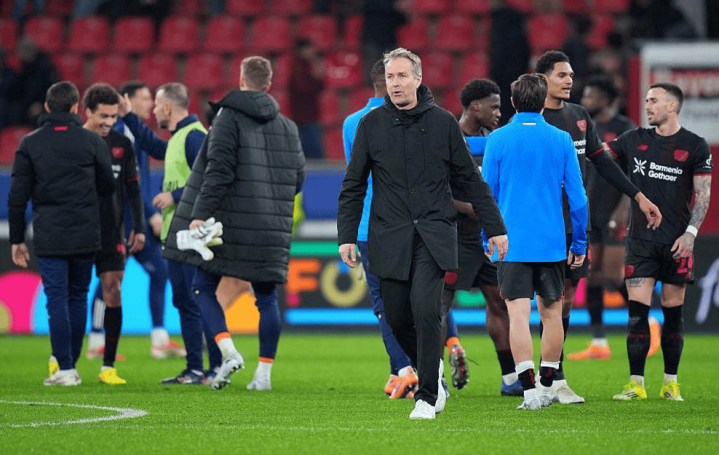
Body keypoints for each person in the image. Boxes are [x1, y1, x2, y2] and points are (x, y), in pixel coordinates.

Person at [337, 48, 508, 420]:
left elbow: (471, 181)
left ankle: (427, 396)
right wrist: (346, 235)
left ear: (418, 78)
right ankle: (433, 366)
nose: (395, 83)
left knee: (427, 311)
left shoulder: (444, 123)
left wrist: (495, 228)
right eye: (390, 77)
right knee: (396, 318)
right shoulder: (371, 125)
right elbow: (353, 184)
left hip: (434, 234)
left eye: (402, 76)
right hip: (388, 236)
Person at [162, 56, 306, 391]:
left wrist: (199, 214)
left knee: (202, 286)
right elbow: (297, 178)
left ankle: (228, 353)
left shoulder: (227, 118)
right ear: (268, 84)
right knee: (266, 298)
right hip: (271, 228)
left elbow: (218, 170)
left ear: (241, 80)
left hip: (230, 224)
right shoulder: (288, 126)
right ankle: (263, 376)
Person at [535, 50, 662, 404]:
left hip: (577, 226)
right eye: (562, 75)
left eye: (571, 75)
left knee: (563, 305)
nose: (570, 80)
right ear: (543, 78)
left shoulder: (578, 116)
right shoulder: (532, 118)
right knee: (549, 302)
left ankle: (553, 379)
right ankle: (549, 380)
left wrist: (638, 197)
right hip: (542, 224)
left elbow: (603, 162)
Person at [483, 73, 588, 410]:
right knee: (552, 314)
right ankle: (546, 386)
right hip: (551, 243)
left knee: (517, 315)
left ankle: (528, 392)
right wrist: (579, 243)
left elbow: (487, 195)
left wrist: (488, 236)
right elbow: (578, 199)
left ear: (513, 102)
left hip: (511, 243)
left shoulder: (498, 138)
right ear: (544, 101)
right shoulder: (562, 139)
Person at [610, 83, 712, 401]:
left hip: (677, 242)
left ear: (672, 105)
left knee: (673, 314)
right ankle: (636, 384)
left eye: (653, 101)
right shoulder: (633, 139)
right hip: (640, 240)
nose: (647, 106)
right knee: (637, 313)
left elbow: (703, 195)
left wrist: (690, 234)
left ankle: (670, 383)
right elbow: (600, 157)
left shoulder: (695, 145)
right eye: (646, 100)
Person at [8, 81, 115, 385]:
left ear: (46, 107)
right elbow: (108, 186)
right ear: (75, 107)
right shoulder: (92, 141)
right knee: (77, 297)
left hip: (49, 234)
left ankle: (65, 367)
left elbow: (17, 197)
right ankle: (71, 366)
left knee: (56, 298)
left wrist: (17, 239)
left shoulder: (30, 143)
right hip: (85, 232)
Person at [118, 82, 222, 384]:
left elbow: (211, 180)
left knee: (199, 300)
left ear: (167, 107)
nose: (152, 111)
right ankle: (194, 369)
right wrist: (129, 116)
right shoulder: (179, 137)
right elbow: (153, 146)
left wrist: (173, 196)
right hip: (176, 234)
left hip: (194, 233)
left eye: (156, 105)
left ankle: (216, 367)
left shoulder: (195, 137)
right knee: (185, 303)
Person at [450, 78, 522, 396]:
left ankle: (510, 378)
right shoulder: (449, 137)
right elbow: (435, 190)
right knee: (439, 305)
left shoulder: (494, 141)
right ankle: (435, 377)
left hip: (488, 239)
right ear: (475, 106)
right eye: (494, 107)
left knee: (499, 303)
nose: (499, 113)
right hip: (454, 237)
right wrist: (471, 209)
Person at [82, 83, 146, 385]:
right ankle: (62, 361)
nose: (109, 122)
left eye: (113, 116)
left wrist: (139, 227)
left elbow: (133, 188)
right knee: (72, 294)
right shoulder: (75, 142)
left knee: (114, 291)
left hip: (112, 231)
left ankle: (108, 366)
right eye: (103, 116)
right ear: (88, 112)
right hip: (78, 231)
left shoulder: (122, 144)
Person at [569, 75, 636, 361]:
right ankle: (599, 342)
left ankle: (646, 322)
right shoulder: (585, 128)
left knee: (611, 274)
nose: (585, 101)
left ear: (606, 99)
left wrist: (625, 207)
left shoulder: (625, 128)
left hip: (614, 211)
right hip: (590, 212)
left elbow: (635, 174)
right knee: (592, 276)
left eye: (590, 96)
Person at [117, 80, 183, 359]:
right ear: (128, 100)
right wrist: (150, 214)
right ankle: (96, 342)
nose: (150, 105)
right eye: (145, 98)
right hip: (124, 222)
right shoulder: (120, 133)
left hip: (137, 220)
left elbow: (140, 182)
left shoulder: (137, 133)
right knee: (112, 277)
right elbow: (128, 185)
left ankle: (159, 339)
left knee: (155, 272)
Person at [289, 39, 325, 160]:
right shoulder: (298, 69)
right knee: (316, 157)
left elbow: (320, 88)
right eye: (309, 49)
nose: (312, 51)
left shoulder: (306, 67)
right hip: (304, 120)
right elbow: (305, 90)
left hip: (308, 118)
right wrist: (317, 77)